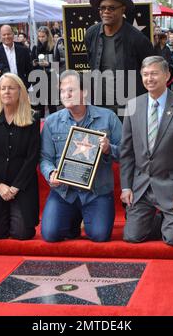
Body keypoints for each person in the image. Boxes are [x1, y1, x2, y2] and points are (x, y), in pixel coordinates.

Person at [120, 56, 173, 246]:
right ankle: (166, 221)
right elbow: (126, 151)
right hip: (142, 187)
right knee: (132, 236)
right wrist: (126, 186)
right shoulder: (133, 105)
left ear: (167, 75)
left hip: (172, 185)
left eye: (154, 73)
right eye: (145, 74)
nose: (150, 78)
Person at [40, 70, 122, 242]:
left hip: (96, 191)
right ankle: (73, 220)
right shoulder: (51, 122)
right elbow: (45, 158)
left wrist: (109, 148)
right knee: (50, 235)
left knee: (100, 236)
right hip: (64, 191)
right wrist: (50, 173)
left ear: (84, 92)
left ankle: (87, 218)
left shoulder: (108, 118)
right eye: (62, 91)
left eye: (71, 90)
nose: (66, 94)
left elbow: (126, 153)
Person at [0, 73, 40, 240]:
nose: (6, 92)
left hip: (22, 185)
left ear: (20, 91)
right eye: (3, 88)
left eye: (11, 88)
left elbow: (32, 156)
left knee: (23, 234)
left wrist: (15, 188)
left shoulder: (32, 118)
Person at [85, 0, 154, 118]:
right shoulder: (91, 34)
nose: (106, 11)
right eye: (102, 8)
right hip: (100, 105)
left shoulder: (138, 39)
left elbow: (150, 71)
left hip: (130, 106)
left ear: (123, 9)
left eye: (111, 8)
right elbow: (91, 64)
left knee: (128, 139)